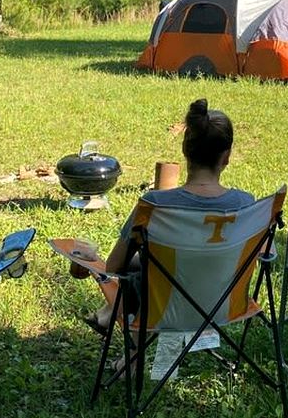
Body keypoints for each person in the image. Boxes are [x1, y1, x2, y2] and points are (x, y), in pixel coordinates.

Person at [73, 98, 254, 335]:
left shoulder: (155, 205)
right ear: (226, 156)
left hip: (162, 309)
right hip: (225, 308)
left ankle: (123, 346)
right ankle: (108, 320)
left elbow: (115, 266)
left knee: (145, 273)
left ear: (185, 150)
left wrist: (90, 259)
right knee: (154, 264)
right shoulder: (247, 205)